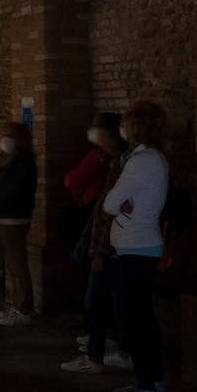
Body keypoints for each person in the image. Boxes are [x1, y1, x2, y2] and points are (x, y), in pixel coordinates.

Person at [104, 100, 171, 392]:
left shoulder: (141, 161)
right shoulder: (152, 158)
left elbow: (110, 203)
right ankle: (147, 380)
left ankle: (150, 388)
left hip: (137, 248)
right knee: (139, 318)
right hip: (138, 246)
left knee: (135, 321)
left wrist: (120, 203)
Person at [61, 113, 129, 374]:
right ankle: (103, 347)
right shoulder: (114, 161)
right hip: (109, 238)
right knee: (102, 297)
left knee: (98, 297)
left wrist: (100, 248)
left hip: (110, 242)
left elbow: (108, 205)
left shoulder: (116, 163)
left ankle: (97, 354)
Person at [0, 122, 38, 325]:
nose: (4, 140)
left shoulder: (23, 163)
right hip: (6, 216)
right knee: (12, 264)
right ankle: (15, 304)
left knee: (17, 264)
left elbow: (14, 191)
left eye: (8, 136)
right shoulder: (10, 161)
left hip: (14, 217)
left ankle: (24, 309)